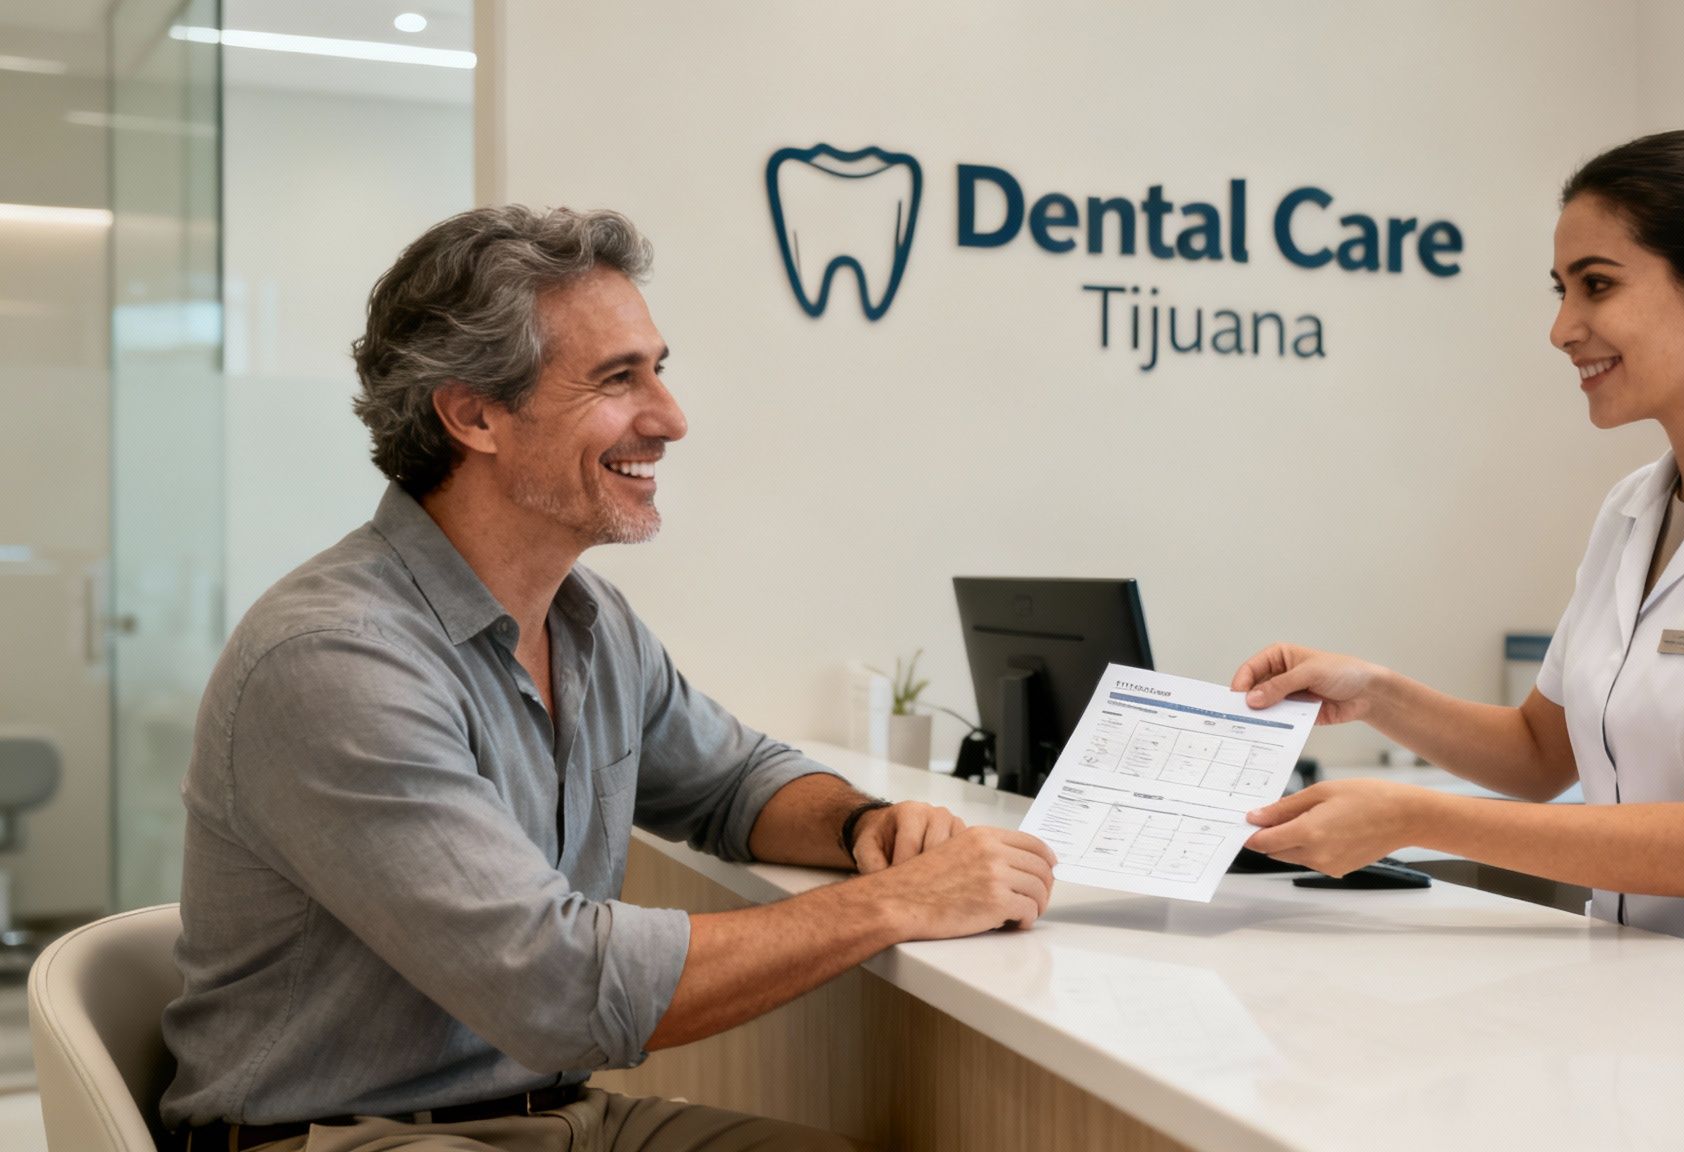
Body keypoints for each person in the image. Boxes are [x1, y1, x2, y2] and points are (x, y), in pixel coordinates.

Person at [159, 206, 1058, 1152]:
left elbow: (736, 783)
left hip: (555, 1119)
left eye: (656, 371)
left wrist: (866, 827)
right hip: (342, 1137)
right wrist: (895, 903)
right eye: (617, 380)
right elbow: (557, 989)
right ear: (473, 415)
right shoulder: (335, 659)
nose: (668, 418)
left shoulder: (589, 622)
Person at [1232, 130, 1684, 1000]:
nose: (1561, 328)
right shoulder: (1636, 508)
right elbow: (1545, 749)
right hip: (1656, 993)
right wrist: (1375, 694)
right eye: (1562, 289)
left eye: (1598, 285)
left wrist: (1411, 817)